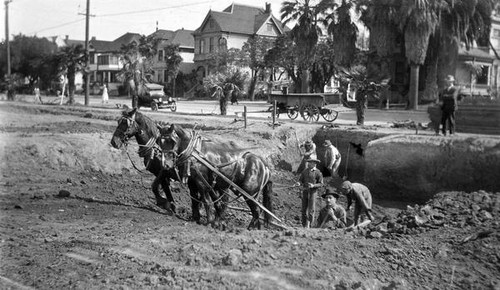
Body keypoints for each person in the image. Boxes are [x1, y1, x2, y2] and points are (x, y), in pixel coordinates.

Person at [297, 158, 324, 228]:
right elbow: (300, 180)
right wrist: (298, 183)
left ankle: (310, 225)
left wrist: (313, 185)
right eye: (309, 162)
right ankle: (303, 224)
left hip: (313, 192)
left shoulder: (318, 172)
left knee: (311, 210)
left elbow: (321, 184)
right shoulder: (305, 171)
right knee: (303, 209)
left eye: (312, 163)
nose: (310, 164)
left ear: (315, 164)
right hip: (305, 191)